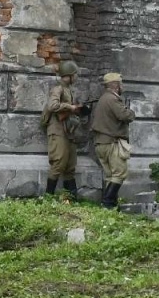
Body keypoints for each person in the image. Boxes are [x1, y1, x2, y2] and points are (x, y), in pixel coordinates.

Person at [88, 72, 135, 208]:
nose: (122, 86)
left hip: (100, 143)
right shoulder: (112, 99)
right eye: (121, 83)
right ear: (115, 85)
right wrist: (131, 112)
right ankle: (107, 202)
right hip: (111, 143)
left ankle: (111, 205)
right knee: (120, 173)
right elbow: (125, 115)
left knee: (110, 176)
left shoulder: (103, 98)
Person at [41, 61, 83, 199]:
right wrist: (70, 107)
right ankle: (48, 198)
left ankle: (70, 198)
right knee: (58, 163)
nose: (76, 77)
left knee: (70, 165)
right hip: (57, 131)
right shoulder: (58, 89)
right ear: (69, 75)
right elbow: (52, 106)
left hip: (68, 131)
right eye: (75, 74)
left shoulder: (68, 89)